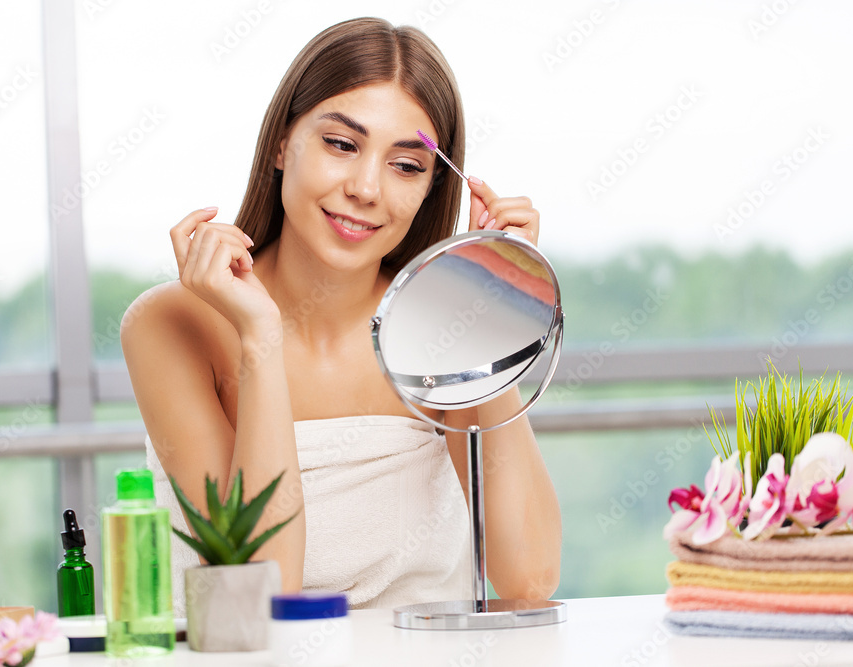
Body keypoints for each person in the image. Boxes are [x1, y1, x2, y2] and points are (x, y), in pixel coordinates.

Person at [121, 16, 560, 615]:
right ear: (281, 143)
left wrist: (484, 299)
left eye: (406, 165)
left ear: (433, 187)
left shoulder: (441, 327)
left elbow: (529, 579)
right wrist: (260, 340)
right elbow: (265, 594)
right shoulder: (171, 325)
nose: (365, 188)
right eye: (341, 144)